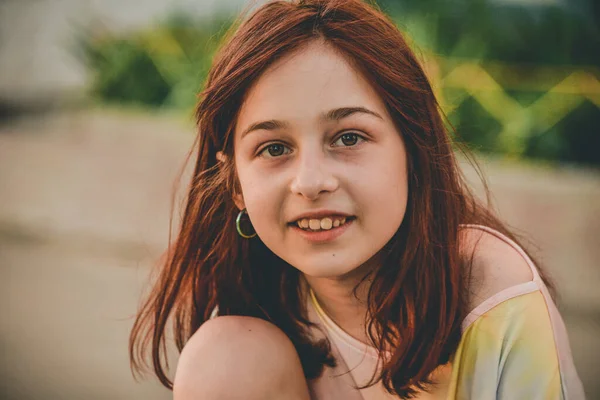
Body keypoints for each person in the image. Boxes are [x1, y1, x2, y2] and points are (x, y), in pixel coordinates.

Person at [129, 0, 586, 399]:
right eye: (273, 148)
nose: (310, 182)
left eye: (348, 137)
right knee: (224, 357)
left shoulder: (492, 296)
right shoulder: (263, 312)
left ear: (414, 149)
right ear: (235, 186)